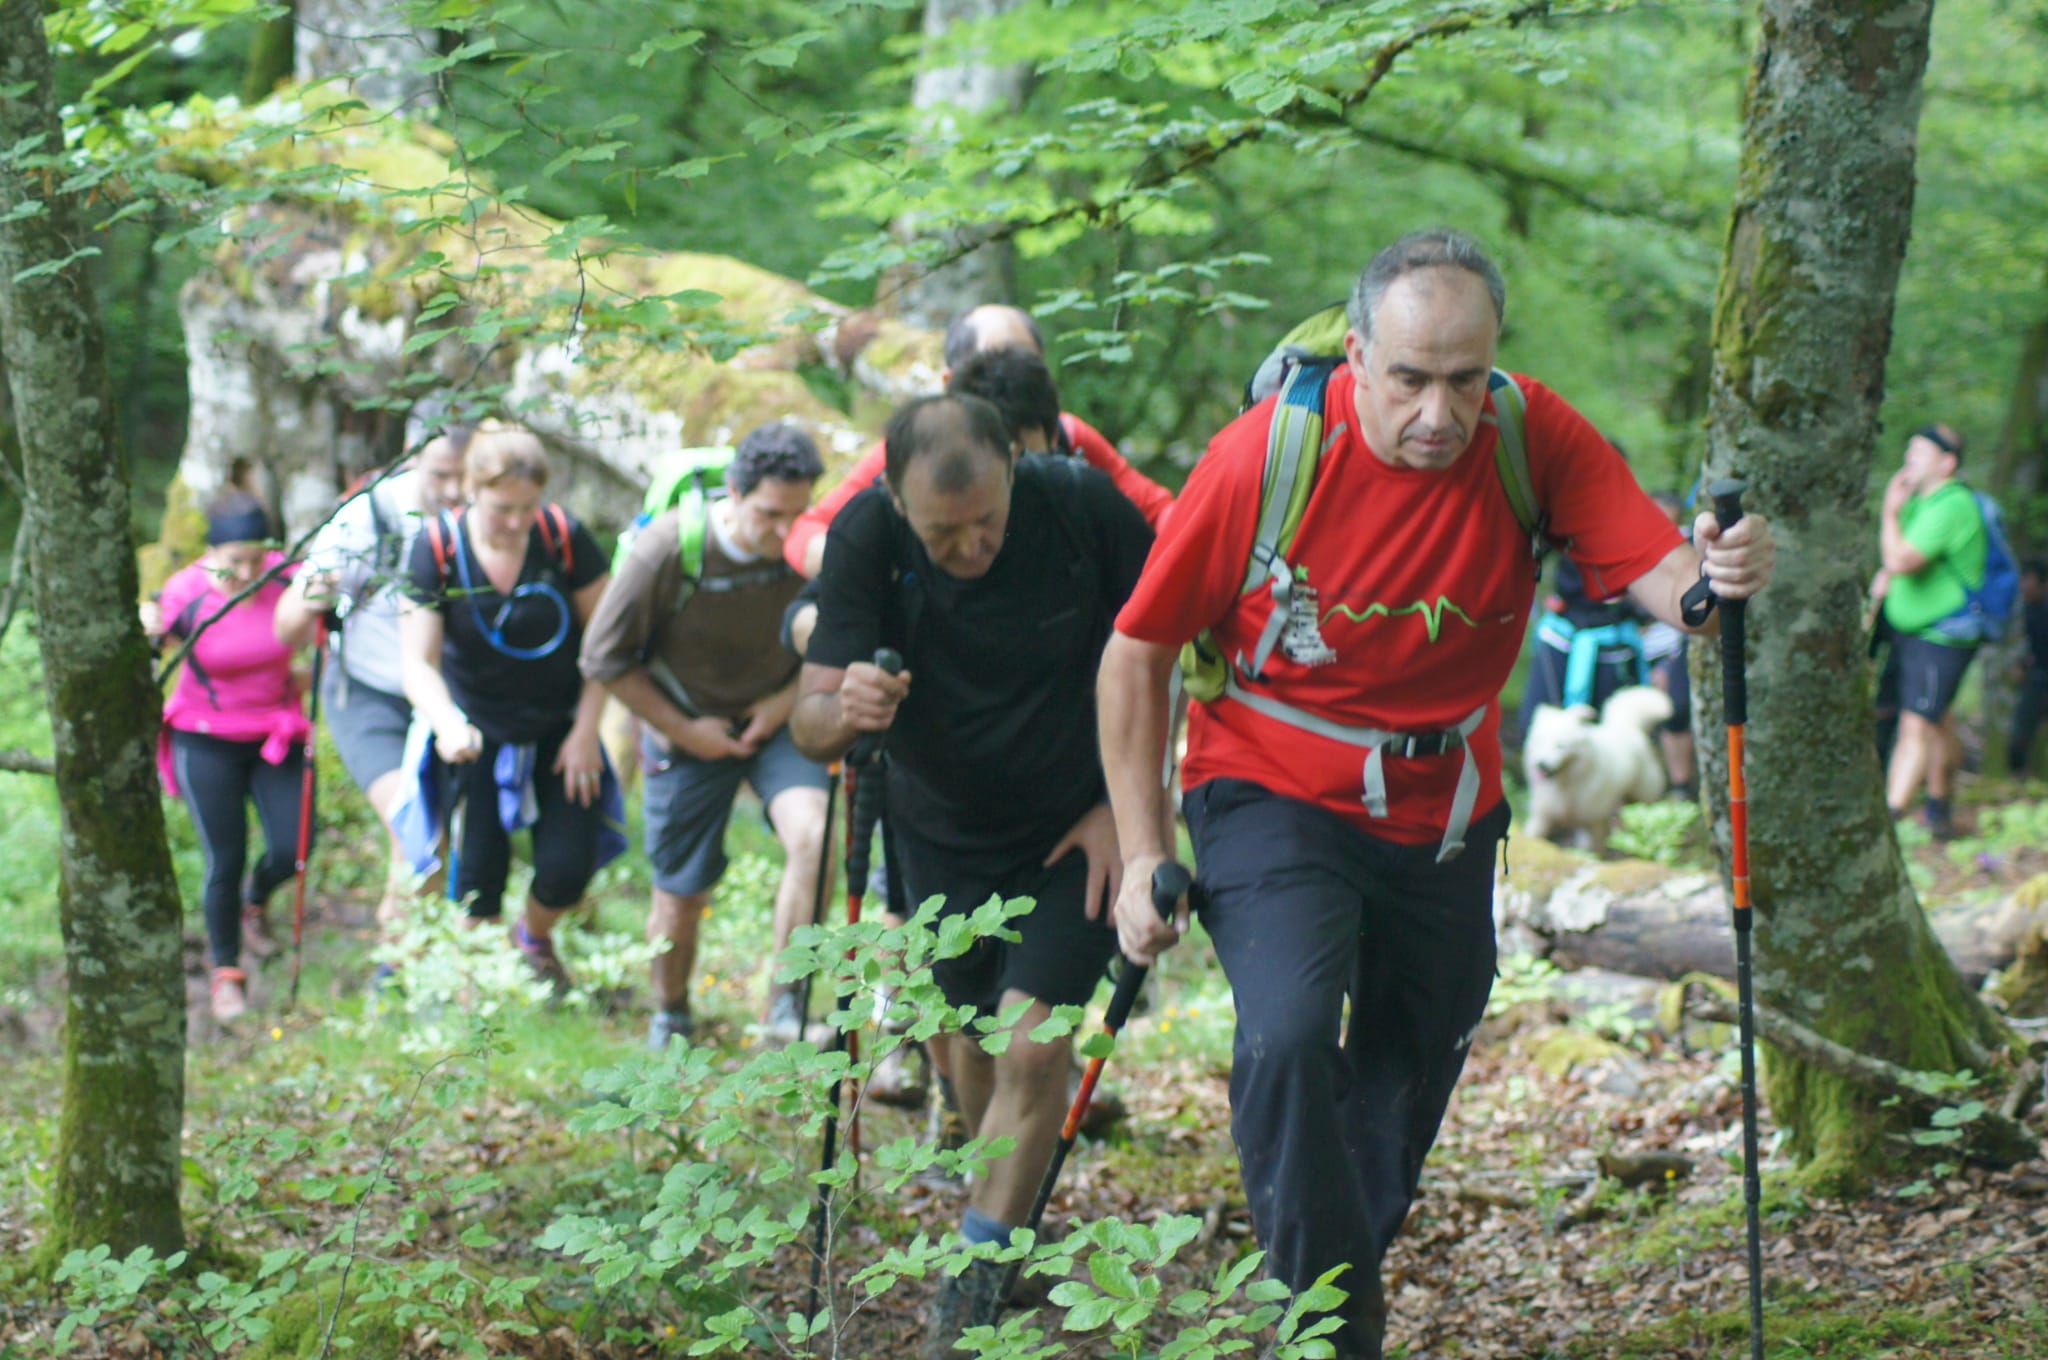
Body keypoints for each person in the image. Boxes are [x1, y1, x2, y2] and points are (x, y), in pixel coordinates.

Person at [1097, 230, 1775, 1359]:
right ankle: (1325, 1330)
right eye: (1409, 378)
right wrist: (1138, 851)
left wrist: (1712, 584)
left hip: (1444, 805)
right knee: (1288, 1033)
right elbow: (1136, 654)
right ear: (1358, 355)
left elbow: (1659, 572)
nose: (1437, 412)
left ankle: (1328, 1277)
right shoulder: (1266, 455)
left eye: (1465, 379)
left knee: (1412, 1061)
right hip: (1269, 782)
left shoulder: (1527, 434)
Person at [790, 394, 1154, 1356]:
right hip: (940, 834)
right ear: (898, 501)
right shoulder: (867, 537)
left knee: (1032, 1045)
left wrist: (1129, 809)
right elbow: (809, 721)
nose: (972, 547)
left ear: (1014, 469)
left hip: (1076, 829)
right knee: (970, 1044)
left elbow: (1171, 653)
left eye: (987, 519)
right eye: (943, 532)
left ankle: (975, 1279)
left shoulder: (1080, 509)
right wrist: (846, 704)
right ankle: (1004, 1209)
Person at [579, 422, 830, 1048]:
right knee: (682, 893)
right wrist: (687, 731)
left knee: (816, 836)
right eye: (769, 515)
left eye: (797, 515)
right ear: (734, 493)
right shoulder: (668, 549)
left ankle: (786, 1006)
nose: (785, 533)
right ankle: (670, 1013)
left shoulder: (811, 548)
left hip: (776, 718)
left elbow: (833, 640)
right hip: (685, 725)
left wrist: (780, 706)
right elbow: (604, 658)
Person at [398, 424, 618, 990]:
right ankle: (478, 997)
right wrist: (448, 723)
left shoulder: (563, 536)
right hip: (474, 732)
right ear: (470, 489)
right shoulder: (437, 547)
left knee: (568, 867)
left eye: (528, 507)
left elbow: (609, 643)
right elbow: (417, 662)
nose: (517, 522)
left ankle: (533, 937)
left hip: (560, 726)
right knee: (478, 878)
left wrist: (587, 730)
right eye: (503, 509)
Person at [781, 303, 1172, 579]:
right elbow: (808, 533)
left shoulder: (1068, 435)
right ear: (951, 381)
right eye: (990, 366)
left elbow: (1160, 512)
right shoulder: (916, 451)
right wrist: (865, 573)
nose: (1006, 379)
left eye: (1023, 365)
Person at [274, 427, 470, 975]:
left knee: (430, 840)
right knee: (417, 827)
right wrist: (313, 595)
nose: (454, 489)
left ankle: (412, 964)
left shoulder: (487, 517)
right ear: (413, 459)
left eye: (464, 476)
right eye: (441, 475)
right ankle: (400, 973)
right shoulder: (369, 517)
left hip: (446, 700)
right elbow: (285, 626)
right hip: (369, 695)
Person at [146, 490, 312, 1021]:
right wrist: (148, 626)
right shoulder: (186, 591)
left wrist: (314, 667)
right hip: (205, 736)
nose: (246, 572)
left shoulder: (287, 578)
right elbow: (151, 647)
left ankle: (254, 901)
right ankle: (226, 975)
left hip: (275, 734)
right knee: (225, 857)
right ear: (212, 551)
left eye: (256, 558)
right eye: (234, 560)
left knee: (294, 846)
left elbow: (328, 628)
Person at [1872, 422, 1982, 839]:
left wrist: (1888, 513)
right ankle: (1939, 809)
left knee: (1916, 724)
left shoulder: (1952, 505)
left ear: (1947, 463)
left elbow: (1902, 559)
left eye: (1919, 452)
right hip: (1915, 631)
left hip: (1942, 634)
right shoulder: (1921, 502)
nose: (1909, 459)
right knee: (1938, 719)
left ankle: (1889, 822)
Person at [2008, 560, 2048, 778]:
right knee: (2020, 734)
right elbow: (2023, 644)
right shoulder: (2024, 610)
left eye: (2029, 581)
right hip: (2037, 677)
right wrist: (2020, 664)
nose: (2024, 586)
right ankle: (2019, 777)